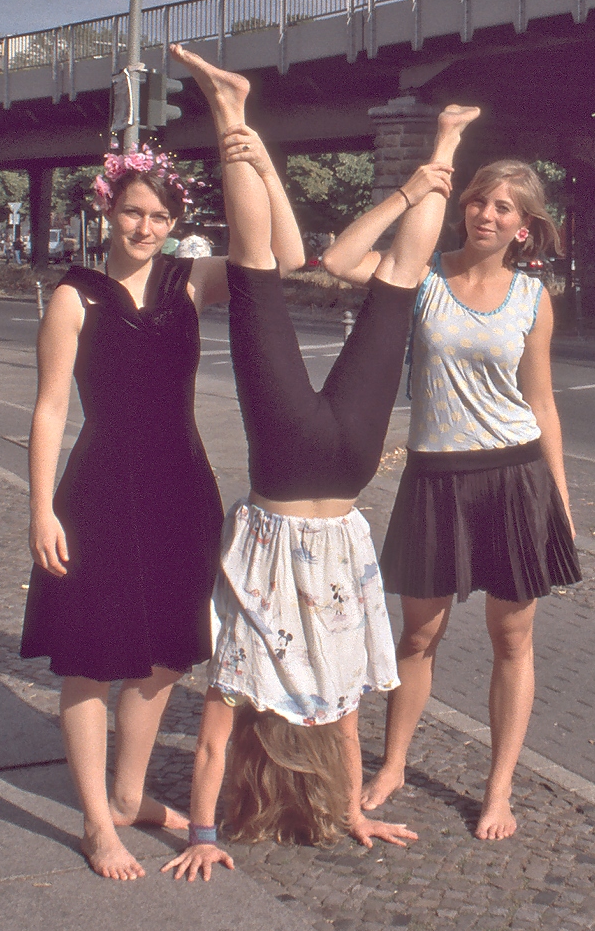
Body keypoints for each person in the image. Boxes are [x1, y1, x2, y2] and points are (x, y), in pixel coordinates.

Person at [158, 45, 477, 880]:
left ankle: (446, 144)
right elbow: (210, 754)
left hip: (343, 480)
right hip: (288, 474)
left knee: (397, 284)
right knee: (256, 279)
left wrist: (349, 812)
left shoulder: (325, 691)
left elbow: (344, 735)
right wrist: (202, 832)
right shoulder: (243, 680)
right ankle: (229, 111)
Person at [19, 142, 302, 879]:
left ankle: (128, 794)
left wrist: (261, 163)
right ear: (107, 210)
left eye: (158, 217)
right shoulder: (74, 297)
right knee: (89, 660)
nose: (143, 228)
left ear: (176, 223)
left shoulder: (190, 281)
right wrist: (41, 509)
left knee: (165, 654)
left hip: (180, 488)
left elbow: (288, 257)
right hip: (98, 494)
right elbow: (50, 410)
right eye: (131, 212)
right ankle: (95, 824)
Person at [352, 160, 580, 840]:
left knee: (511, 639)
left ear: (524, 227)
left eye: (504, 208)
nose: (487, 215)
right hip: (435, 478)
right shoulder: (422, 276)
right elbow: (341, 260)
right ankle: (393, 764)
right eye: (479, 201)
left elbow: (541, 403)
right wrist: (413, 189)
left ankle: (498, 788)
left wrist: (561, 501)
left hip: (515, 478)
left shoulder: (532, 297)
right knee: (418, 634)